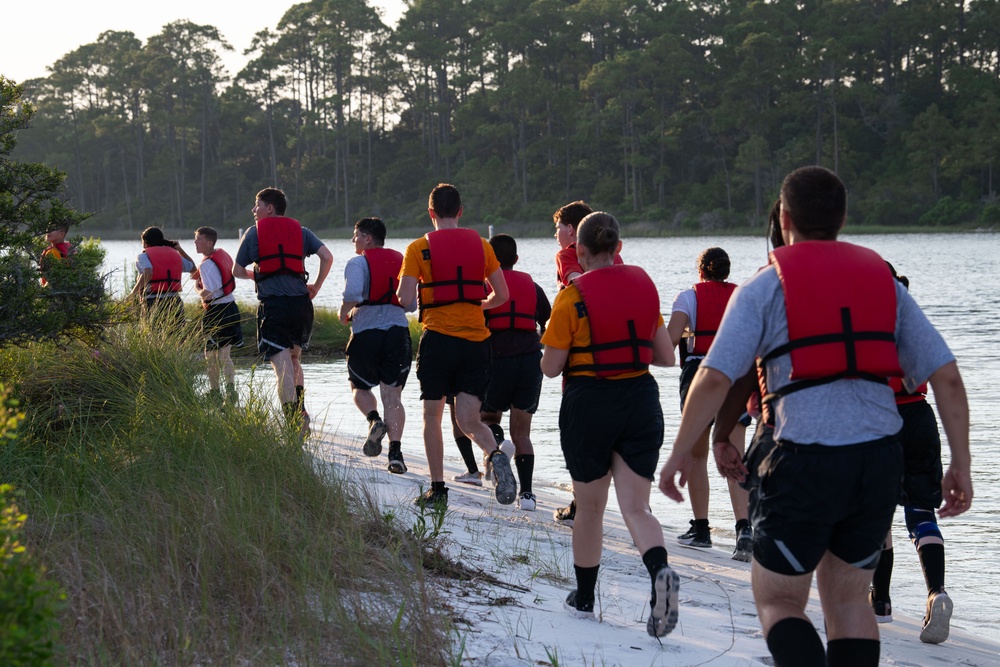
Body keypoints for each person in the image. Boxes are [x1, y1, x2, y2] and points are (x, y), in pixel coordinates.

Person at [659, 166, 973, 667]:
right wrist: (961, 462)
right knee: (850, 603)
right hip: (875, 462)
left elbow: (715, 377)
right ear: (842, 217)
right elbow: (948, 378)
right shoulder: (885, 283)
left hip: (801, 460)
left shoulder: (764, 286)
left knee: (780, 600)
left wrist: (681, 452)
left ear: (784, 218)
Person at [540, 211, 679, 637]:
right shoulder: (644, 286)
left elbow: (550, 368)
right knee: (637, 507)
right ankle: (659, 570)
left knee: (591, 510)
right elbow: (666, 356)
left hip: (589, 404)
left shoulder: (570, 296)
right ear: (618, 248)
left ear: (579, 251)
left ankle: (584, 599)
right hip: (641, 400)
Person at [396, 183, 514, 508]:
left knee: (432, 415)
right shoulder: (482, 246)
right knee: (469, 419)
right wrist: (477, 304)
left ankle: (438, 490)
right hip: (477, 343)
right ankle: (495, 454)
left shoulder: (418, 248)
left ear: (431, 213)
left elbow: (405, 300)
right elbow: (502, 296)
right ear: (461, 211)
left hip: (439, 341)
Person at [869, 267, 953, 644]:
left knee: (876, 511)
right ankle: (937, 591)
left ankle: (881, 602)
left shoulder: (864, 321)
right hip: (920, 416)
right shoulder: (914, 322)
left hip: (880, 417)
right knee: (921, 513)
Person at [666, 247, 752, 560]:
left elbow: (671, 339)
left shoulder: (688, 297)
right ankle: (744, 531)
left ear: (701, 271)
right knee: (735, 458)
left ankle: (701, 530)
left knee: (697, 456)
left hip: (699, 377)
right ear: (727, 272)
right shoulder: (743, 296)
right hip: (736, 376)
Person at [232, 187, 333, 434]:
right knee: (295, 359)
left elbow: (235, 271)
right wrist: (316, 287)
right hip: (301, 306)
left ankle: (293, 424)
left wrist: (258, 275)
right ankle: (302, 410)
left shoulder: (253, 234)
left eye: (257, 205)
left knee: (282, 367)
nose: (253, 210)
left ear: (270, 208)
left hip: (274, 307)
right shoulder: (302, 231)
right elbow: (327, 257)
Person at [480, 233, 551, 512]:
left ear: (489, 261)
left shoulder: (485, 285)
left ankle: (498, 446)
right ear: (517, 259)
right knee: (523, 432)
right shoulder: (532, 286)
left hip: (496, 360)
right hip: (530, 361)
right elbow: (548, 320)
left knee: (486, 418)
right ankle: (528, 496)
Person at [339, 216, 411, 474]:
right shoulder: (403, 260)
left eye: (356, 235)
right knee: (392, 395)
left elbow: (353, 294)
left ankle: (374, 420)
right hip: (398, 333)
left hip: (366, 333)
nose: (353, 240)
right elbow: (411, 304)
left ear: (367, 238)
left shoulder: (357, 261)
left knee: (358, 385)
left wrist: (343, 312)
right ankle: (395, 453)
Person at [192, 226, 244, 405]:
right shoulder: (221, 254)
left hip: (216, 312)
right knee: (225, 355)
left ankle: (215, 393)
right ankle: (231, 392)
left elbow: (208, 294)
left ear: (209, 242)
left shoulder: (206, 264)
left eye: (198, 239)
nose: (195, 243)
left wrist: (196, 288)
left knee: (210, 355)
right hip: (231, 307)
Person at [126, 226, 195, 322]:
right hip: (174, 301)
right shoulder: (175, 255)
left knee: (153, 333)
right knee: (177, 333)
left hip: (153, 301)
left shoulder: (143, 256)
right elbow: (193, 268)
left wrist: (132, 294)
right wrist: (180, 250)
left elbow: (148, 272)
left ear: (145, 242)